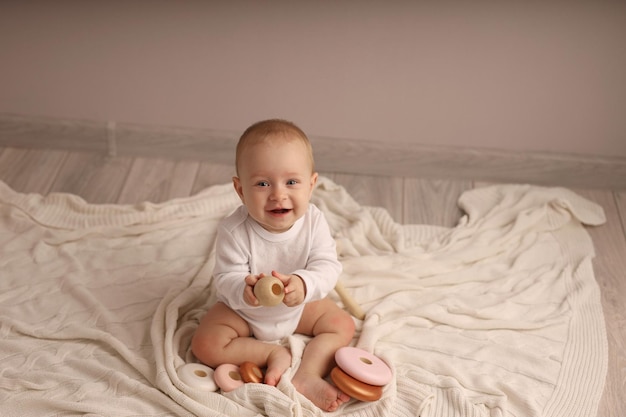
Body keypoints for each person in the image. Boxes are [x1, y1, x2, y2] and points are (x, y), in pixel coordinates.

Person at [191, 119, 356, 412]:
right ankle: (271, 353)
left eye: (291, 182)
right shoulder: (233, 230)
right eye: (262, 183)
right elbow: (226, 276)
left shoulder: (314, 221)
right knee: (204, 344)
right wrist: (244, 290)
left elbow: (328, 265)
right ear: (240, 190)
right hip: (244, 312)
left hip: (299, 307)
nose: (278, 194)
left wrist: (305, 283)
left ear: (311, 185)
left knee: (342, 325)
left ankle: (308, 373)